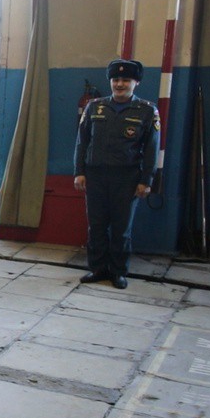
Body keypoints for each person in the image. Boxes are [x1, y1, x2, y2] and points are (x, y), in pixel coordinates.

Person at [73, 59, 160, 289]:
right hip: (96, 177)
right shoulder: (94, 107)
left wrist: (146, 181)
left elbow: (151, 149)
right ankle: (98, 268)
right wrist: (79, 172)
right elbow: (82, 143)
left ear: (136, 83)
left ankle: (118, 271)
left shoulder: (147, 111)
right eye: (116, 80)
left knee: (121, 229)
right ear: (110, 82)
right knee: (97, 226)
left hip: (127, 179)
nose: (120, 84)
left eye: (126, 80)